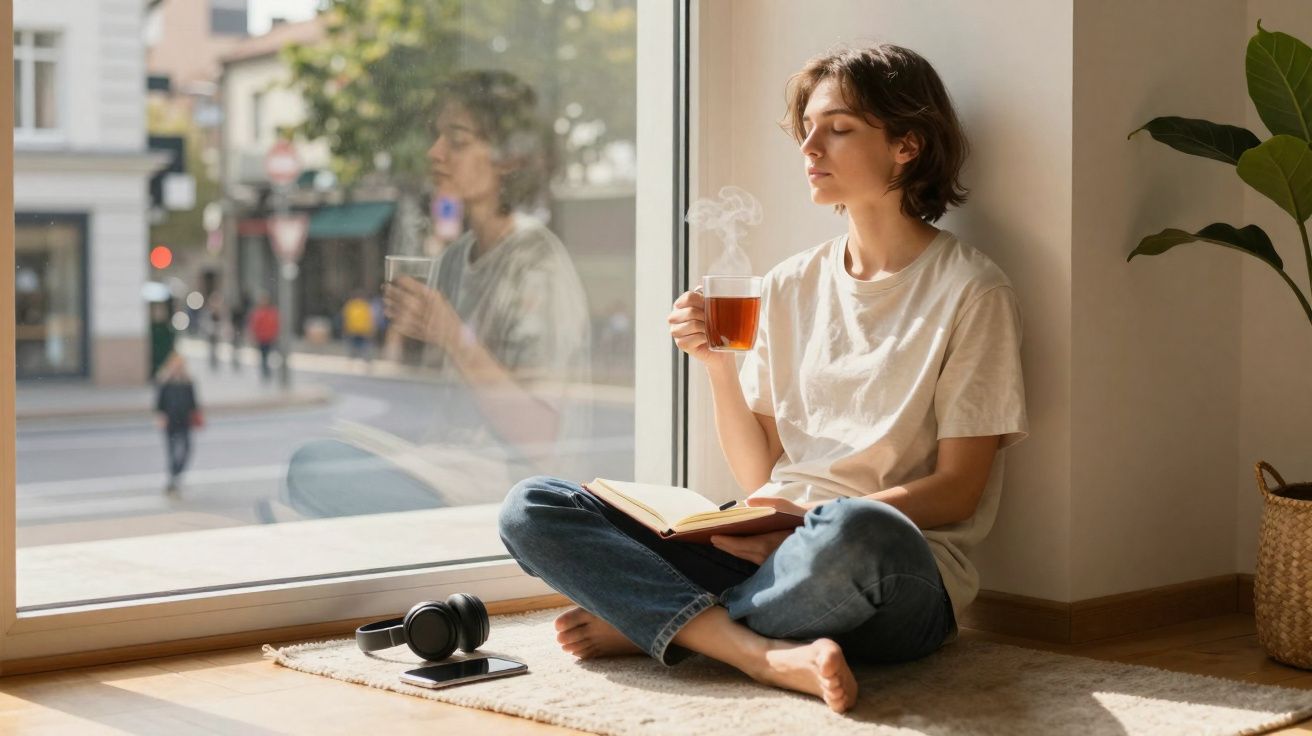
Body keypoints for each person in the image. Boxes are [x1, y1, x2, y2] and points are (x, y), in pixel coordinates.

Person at [499, 44, 1029, 713]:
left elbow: (958, 491)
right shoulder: (789, 283)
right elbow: (759, 477)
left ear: (907, 147)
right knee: (533, 506)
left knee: (857, 530)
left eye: (837, 128)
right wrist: (719, 366)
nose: (810, 145)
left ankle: (668, 626)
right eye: (806, 128)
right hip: (764, 549)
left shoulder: (972, 290)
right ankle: (758, 652)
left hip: (884, 567)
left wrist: (804, 521)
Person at [279, 69, 592, 519]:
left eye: (457, 140)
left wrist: (450, 332)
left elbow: (539, 435)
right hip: (451, 470)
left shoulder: (535, 261)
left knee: (316, 467)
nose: (435, 152)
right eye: (437, 137)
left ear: (508, 158)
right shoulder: (456, 257)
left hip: (511, 499)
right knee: (322, 451)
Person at [154, 351, 201, 494]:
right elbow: (159, 403)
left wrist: (197, 417)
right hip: (171, 422)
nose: (178, 368)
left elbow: (194, 403)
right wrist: (161, 417)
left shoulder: (188, 382)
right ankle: (173, 478)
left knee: (186, 449)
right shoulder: (165, 382)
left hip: (184, 421)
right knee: (172, 451)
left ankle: (176, 474)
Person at [248, 292, 280, 382]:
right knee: (264, 356)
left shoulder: (272, 312)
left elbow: (275, 324)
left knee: (269, 356)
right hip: (261, 338)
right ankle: (266, 372)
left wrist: (275, 334)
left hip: (270, 337)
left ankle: (267, 371)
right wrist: (254, 336)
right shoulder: (258, 312)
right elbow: (254, 325)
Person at [341, 290, 375, 365]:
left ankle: (364, 360)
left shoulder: (363, 306)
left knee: (363, 346)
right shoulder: (352, 305)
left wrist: (370, 329)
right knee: (354, 346)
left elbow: (369, 319)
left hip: (361, 330)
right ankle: (353, 360)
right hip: (355, 330)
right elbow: (347, 318)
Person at [230, 291, 249, 371]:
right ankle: (235, 362)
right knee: (236, 347)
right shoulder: (239, 311)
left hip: (238, 331)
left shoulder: (240, 311)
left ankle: (236, 362)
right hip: (236, 331)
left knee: (237, 347)